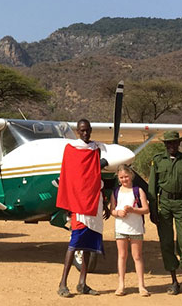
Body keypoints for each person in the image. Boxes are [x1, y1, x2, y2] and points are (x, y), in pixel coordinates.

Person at [56, 119, 109, 297]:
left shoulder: (96, 149)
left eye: (87, 130)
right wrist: (67, 204)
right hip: (79, 205)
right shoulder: (71, 150)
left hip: (94, 202)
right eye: (82, 131)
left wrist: (105, 201)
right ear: (78, 131)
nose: (85, 133)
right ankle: (62, 283)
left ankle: (82, 283)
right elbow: (67, 177)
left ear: (91, 130)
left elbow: (97, 177)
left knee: (87, 246)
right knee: (74, 244)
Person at [147, 130, 182, 296]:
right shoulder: (157, 161)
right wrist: (153, 210)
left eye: (175, 142)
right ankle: (174, 282)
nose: (172, 145)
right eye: (168, 143)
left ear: (179, 143)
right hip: (164, 204)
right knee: (166, 242)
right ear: (165, 144)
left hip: (181, 204)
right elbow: (152, 188)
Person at [109, 164, 151, 297]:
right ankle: (121, 285)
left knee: (137, 256)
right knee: (122, 255)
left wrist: (133, 210)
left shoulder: (138, 191)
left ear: (131, 176)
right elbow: (112, 210)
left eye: (126, 176)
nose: (124, 179)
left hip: (136, 228)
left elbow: (146, 209)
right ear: (118, 178)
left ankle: (141, 285)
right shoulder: (116, 192)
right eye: (121, 177)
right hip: (121, 228)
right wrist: (117, 213)